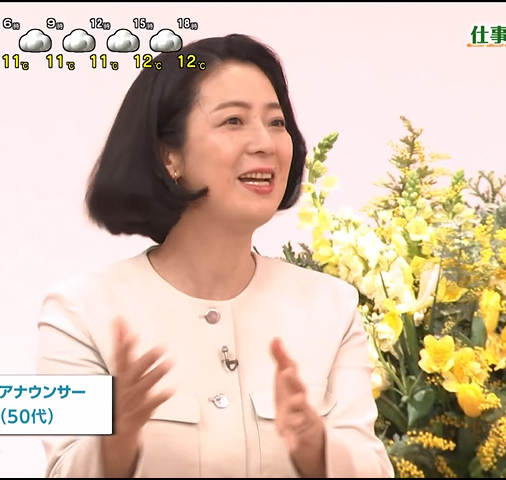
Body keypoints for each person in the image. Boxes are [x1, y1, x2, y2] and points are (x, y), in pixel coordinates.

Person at [35, 33, 394, 478]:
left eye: (276, 122)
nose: (265, 143)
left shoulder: (330, 307)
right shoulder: (82, 312)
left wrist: (315, 447)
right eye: (233, 121)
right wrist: (114, 442)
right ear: (169, 156)